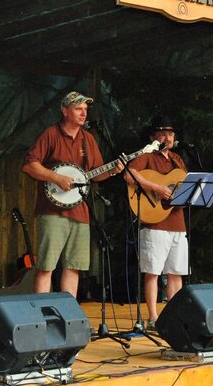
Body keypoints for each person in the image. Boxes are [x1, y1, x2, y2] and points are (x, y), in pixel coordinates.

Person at [22, 91, 122, 298]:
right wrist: (56, 178)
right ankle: (41, 312)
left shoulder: (88, 139)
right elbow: (29, 166)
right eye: (78, 109)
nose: (83, 113)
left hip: (81, 211)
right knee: (46, 266)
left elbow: (95, 175)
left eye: (85, 109)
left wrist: (113, 170)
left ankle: (67, 313)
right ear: (65, 111)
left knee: (73, 266)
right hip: (52, 211)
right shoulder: (50, 134)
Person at [124, 114, 188, 329]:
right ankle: (152, 317)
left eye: (170, 133)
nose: (167, 137)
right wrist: (156, 188)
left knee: (176, 272)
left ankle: (174, 316)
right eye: (162, 133)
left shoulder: (177, 159)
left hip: (177, 222)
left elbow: (185, 183)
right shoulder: (148, 155)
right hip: (155, 222)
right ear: (153, 137)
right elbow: (129, 174)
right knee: (153, 271)